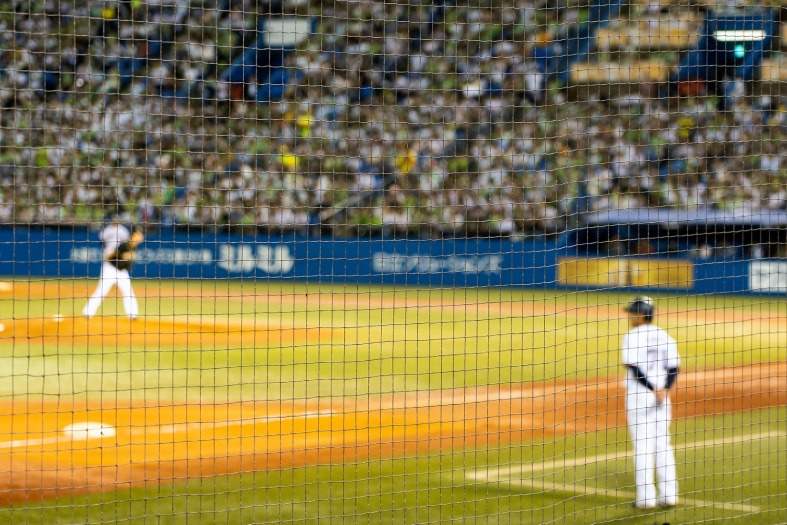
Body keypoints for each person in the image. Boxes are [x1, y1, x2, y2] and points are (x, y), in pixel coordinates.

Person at [622, 296, 680, 509]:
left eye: (631, 313)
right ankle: (669, 496)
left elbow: (635, 369)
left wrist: (651, 389)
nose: (629, 316)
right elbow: (674, 368)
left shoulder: (632, 336)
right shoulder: (664, 336)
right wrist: (664, 389)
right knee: (663, 444)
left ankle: (646, 499)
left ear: (640, 314)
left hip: (640, 396)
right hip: (663, 397)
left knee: (643, 448)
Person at [82, 220, 144, 319]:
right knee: (101, 291)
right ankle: (88, 312)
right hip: (110, 269)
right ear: (134, 235)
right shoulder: (125, 245)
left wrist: (126, 258)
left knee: (128, 292)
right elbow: (109, 257)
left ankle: (132, 314)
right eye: (139, 235)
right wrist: (121, 256)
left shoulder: (133, 246)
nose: (141, 237)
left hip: (121, 271)